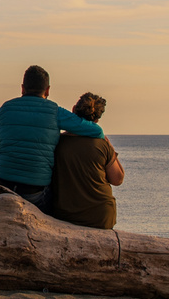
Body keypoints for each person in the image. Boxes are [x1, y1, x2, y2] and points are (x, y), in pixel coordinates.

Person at [0, 65, 104, 212]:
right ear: (48, 90)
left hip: (2, 185)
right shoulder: (54, 111)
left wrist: (4, 171)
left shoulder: (6, 108)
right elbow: (95, 130)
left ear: (22, 88)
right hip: (35, 194)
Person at [52, 93, 124, 229]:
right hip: (100, 215)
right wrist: (110, 147)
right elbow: (117, 179)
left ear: (73, 110)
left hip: (65, 214)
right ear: (96, 120)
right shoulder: (102, 144)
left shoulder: (57, 142)